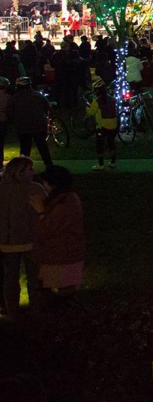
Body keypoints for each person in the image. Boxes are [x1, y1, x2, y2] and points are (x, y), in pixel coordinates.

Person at [30, 165, 84, 305]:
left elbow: (48, 228)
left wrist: (40, 212)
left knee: (61, 291)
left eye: (45, 183)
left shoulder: (63, 203)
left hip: (60, 254)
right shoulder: (67, 199)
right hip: (64, 252)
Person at [0, 157, 45, 317]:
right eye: (30, 169)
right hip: (30, 240)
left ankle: (12, 310)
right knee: (33, 277)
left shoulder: (3, 189)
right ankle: (36, 308)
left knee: (11, 277)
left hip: (8, 242)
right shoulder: (35, 190)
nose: (33, 172)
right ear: (19, 172)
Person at [10, 79, 52, 169]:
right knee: (42, 146)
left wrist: (14, 121)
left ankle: (23, 167)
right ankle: (49, 165)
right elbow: (47, 107)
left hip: (23, 126)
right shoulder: (38, 95)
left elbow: (10, 112)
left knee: (25, 147)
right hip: (39, 125)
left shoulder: (14, 98)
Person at [84, 83, 118, 171]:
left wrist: (87, 107)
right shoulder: (112, 99)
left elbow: (91, 112)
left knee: (100, 145)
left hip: (102, 126)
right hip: (113, 124)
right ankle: (113, 162)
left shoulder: (97, 101)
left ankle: (101, 164)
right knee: (111, 144)